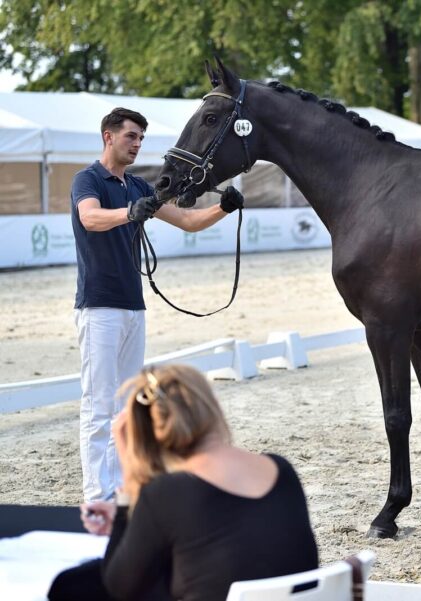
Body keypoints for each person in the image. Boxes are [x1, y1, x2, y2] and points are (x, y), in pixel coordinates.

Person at [72, 107, 245, 502]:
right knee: (98, 406)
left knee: (126, 407)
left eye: (141, 139)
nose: (137, 144)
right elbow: (90, 219)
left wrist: (224, 207)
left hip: (134, 306)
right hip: (98, 306)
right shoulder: (88, 179)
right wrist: (128, 213)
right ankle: (97, 497)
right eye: (131, 136)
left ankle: (122, 488)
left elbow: (186, 220)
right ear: (108, 137)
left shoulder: (136, 185)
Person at [49, 364, 318, 601]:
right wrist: (138, 516)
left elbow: (119, 586)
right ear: (210, 407)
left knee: (73, 586)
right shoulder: (281, 469)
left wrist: (130, 489)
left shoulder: (167, 493)